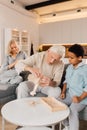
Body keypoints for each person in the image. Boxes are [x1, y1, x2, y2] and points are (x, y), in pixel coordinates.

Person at [59, 44, 87, 130]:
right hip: (69, 94)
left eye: (72, 58)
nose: (69, 60)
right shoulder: (69, 68)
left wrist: (79, 98)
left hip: (81, 97)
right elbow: (66, 81)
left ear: (80, 58)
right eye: (68, 57)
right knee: (59, 104)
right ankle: (67, 125)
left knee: (72, 110)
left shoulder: (85, 70)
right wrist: (63, 92)